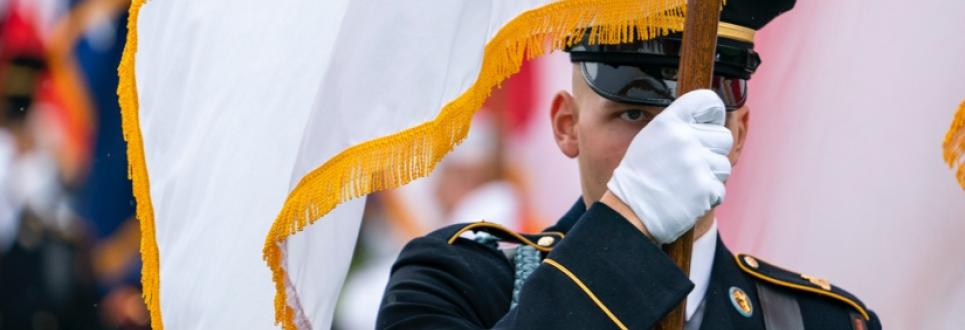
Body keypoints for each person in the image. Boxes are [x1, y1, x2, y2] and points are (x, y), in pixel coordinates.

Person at [376, 0, 881, 328]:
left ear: (740, 135)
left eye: (699, 118)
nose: (666, 144)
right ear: (566, 125)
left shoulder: (821, 322)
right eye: (633, 113)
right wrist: (629, 223)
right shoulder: (457, 279)